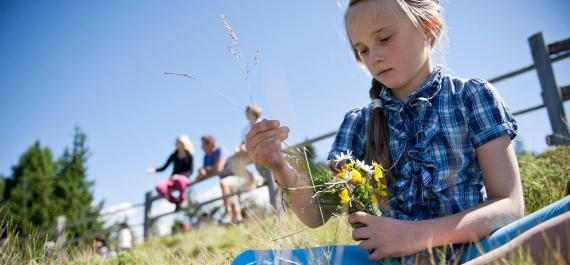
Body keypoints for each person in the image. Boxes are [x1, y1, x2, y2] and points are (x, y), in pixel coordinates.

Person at [244, 0, 569, 263]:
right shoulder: (359, 122)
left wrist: (414, 236)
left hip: (477, 246)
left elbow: (510, 204)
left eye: (384, 38)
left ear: (429, 27)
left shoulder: (471, 96)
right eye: (362, 50)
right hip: (386, 260)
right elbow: (318, 214)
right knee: (249, 262)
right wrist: (280, 168)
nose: (375, 56)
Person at [147, 134, 194, 209]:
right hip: (173, 179)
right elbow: (164, 167)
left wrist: (179, 176)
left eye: (177, 142)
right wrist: (155, 170)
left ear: (183, 143)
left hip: (183, 179)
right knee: (160, 187)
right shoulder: (174, 155)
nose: (176, 144)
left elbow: (190, 171)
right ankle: (175, 201)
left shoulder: (189, 155)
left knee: (180, 180)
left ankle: (182, 200)